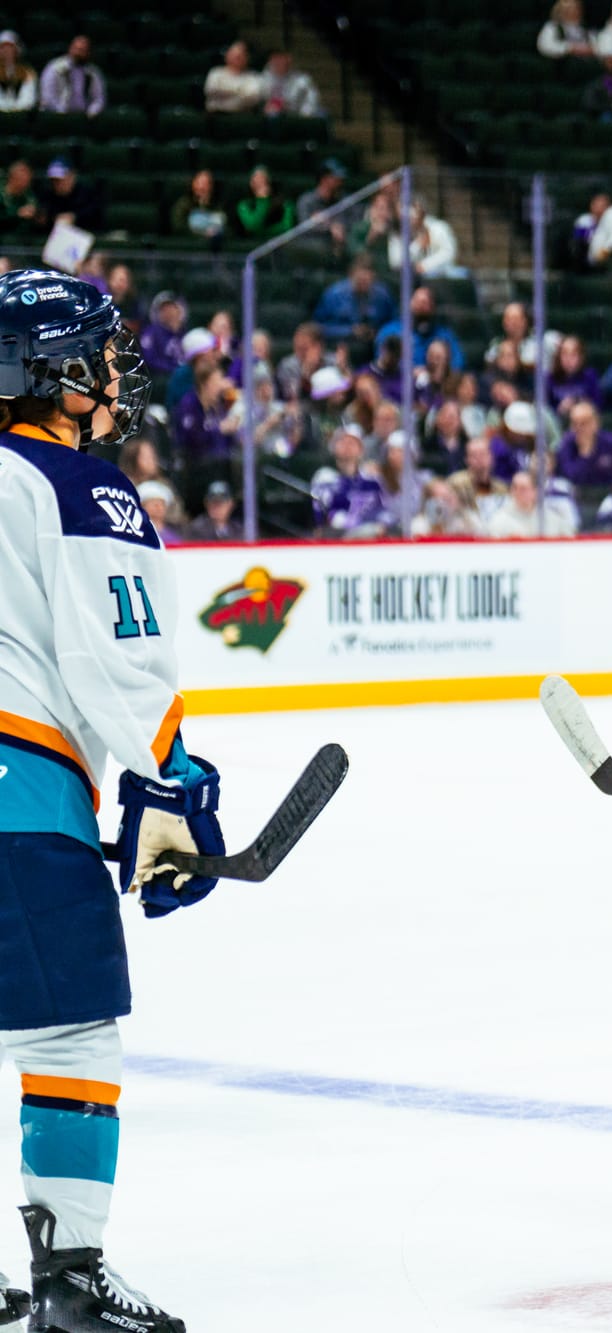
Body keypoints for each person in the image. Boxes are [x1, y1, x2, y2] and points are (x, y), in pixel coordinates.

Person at [0, 269, 206, 1330]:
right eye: (100, 354)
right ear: (57, 374)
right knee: (69, 1037)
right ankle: (70, 1282)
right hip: (17, 800)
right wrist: (170, 782)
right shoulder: (75, 483)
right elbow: (114, 660)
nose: (115, 373)